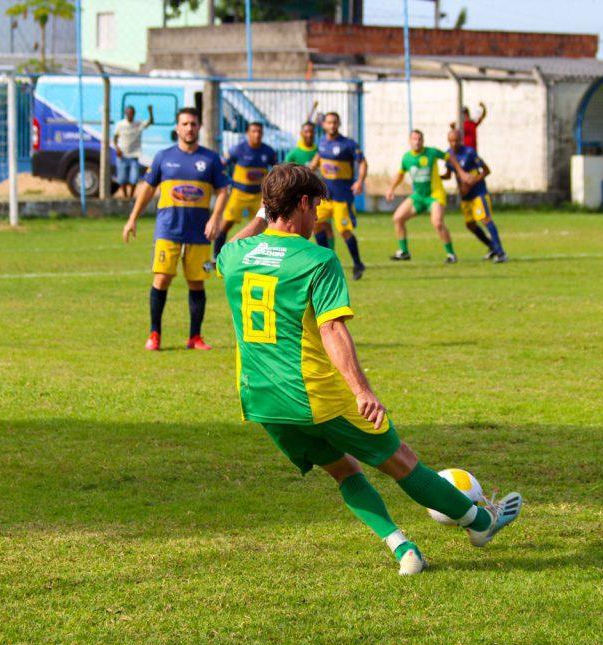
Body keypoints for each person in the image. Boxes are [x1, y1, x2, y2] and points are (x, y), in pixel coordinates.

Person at [215, 163, 523, 575]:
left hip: (261, 400)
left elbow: (235, 244)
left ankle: (404, 551)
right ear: (303, 203)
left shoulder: (235, 256)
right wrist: (361, 390)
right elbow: (332, 329)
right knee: (399, 460)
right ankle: (481, 523)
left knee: (344, 471)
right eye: (317, 206)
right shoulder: (317, 260)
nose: (320, 215)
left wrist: (261, 215)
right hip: (317, 394)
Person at [122, 107, 228, 352]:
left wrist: (215, 217)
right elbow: (147, 189)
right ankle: (154, 334)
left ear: (199, 127)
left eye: (193, 123)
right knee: (162, 278)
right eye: (185, 124)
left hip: (199, 232)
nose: (189, 128)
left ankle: (195, 337)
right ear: (177, 128)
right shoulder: (163, 157)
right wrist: (132, 218)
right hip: (168, 229)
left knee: (197, 283)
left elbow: (223, 190)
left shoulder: (210, 159)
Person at [386, 129, 469, 263]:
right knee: (397, 218)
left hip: (435, 195)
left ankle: (451, 254)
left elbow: (450, 157)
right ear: (409, 141)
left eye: (419, 139)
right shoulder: (407, 158)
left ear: (423, 141)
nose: (417, 142)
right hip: (418, 196)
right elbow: (401, 174)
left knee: (437, 222)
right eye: (414, 139)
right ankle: (404, 252)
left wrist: (461, 172)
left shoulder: (431, 153)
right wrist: (391, 189)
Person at [310, 112, 368, 280]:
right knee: (316, 225)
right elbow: (319, 157)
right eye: (329, 122)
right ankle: (326, 263)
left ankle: (358, 264)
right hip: (325, 197)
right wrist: (310, 168)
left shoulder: (348, 144)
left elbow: (363, 162)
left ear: (339, 123)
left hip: (342, 198)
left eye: (335, 122)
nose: (332, 125)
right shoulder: (321, 143)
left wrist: (359, 181)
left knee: (344, 231)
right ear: (324, 125)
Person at [211, 122, 278, 260]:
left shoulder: (268, 151)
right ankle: (217, 256)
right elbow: (221, 164)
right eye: (254, 131)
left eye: (259, 131)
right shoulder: (238, 150)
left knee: (264, 227)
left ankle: (259, 257)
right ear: (247, 133)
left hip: (259, 196)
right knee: (226, 224)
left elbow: (277, 170)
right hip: (238, 194)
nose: (257, 134)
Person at [444, 127, 507, 262]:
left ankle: (501, 252)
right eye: (451, 141)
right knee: (470, 225)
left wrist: (472, 182)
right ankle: (491, 247)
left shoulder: (469, 152)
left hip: (478, 193)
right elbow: (449, 175)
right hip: (465, 196)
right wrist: (435, 177)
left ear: (461, 140)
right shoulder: (448, 155)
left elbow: (486, 170)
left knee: (485, 219)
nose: (454, 143)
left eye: (456, 140)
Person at [113, 105, 154, 199]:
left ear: (134, 114)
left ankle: (131, 197)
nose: (130, 114)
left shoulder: (138, 124)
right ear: (125, 114)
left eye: (131, 113)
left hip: (134, 155)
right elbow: (115, 138)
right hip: (122, 155)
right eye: (128, 113)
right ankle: (125, 196)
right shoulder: (120, 124)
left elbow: (150, 122)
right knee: (122, 179)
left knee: (134, 178)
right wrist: (117, 149)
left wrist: (150, 112)